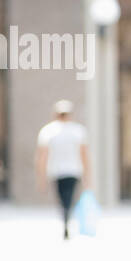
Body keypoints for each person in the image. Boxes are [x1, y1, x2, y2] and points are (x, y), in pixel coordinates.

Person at [36, 99, 91, 239]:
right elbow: (84, 155)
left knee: (62, 197)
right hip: (73, 171)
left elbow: (42, 157)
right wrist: (87, 175)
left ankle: (65, 218)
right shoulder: (78, 131)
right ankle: (67, 217)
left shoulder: (48, 131)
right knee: (69, 197)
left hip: (57, 171)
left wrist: (41, 177)